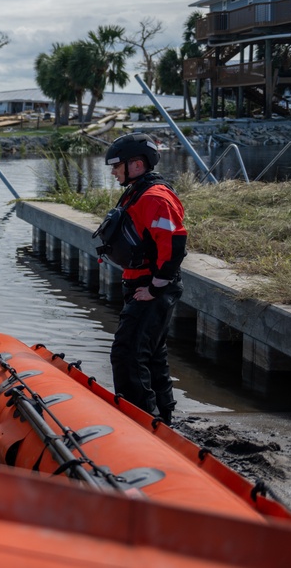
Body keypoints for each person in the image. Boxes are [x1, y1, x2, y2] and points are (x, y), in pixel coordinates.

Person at [99, 132, 187, 426]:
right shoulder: (137, 190)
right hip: (141, 285)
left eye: (116, 166)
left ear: (136, 164)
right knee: (150, 354)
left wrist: (155, 287)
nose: (113, 172)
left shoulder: (155, 197)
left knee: (127, 354)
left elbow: (174, 244)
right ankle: (163, 418)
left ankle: (140, 422)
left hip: (152, 288)